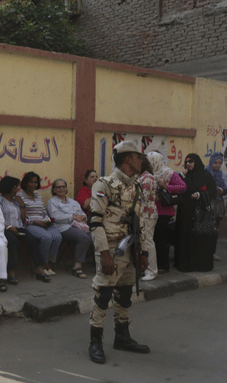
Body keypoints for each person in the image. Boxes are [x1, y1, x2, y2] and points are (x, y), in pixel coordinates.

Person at [88, 140, 149, 365]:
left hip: (131, 249)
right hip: (111, 249)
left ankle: (122, 337)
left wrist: (142, 252)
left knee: (124, 295)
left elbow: (139, 221)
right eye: (137, 156)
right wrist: (103, 253)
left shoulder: (136, 186)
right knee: (103, 295)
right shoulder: (104, 184)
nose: (141, 160)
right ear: (127, 160)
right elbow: (94, 222)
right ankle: (95, 342)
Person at [174, 153, 217, 272]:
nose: (188, 164)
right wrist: (183, 175)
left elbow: (212, 191)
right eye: (186, 162)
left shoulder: (205, 175)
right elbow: (181, 188)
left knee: (199, 237)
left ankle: (200, 265)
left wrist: (199, 195)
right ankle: (185, 265)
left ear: (196, 162)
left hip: (199, 212)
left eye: (191, 161)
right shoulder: (184, 175)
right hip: (185, 212)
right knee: (185, 236)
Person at [146, 151, 186, 277]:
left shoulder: (168, 173)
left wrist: (166, 186)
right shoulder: (147, 174)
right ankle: (154, 264)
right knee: (152, 239)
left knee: (161, 239)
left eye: (151, 162)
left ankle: (163, 266)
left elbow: (183, 187)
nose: (149, 165)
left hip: (164, 210)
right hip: (151, 210)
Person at [0, 176, 41, 285]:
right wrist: (9, 227)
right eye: (15, 187)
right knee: (12, 241)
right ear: (9, 188)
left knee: (33, 239)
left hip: (19, 227)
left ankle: (38, 268)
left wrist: (22, 205)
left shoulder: (17, 200)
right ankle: (11, 272)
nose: (17, 190)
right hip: (4, 228)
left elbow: (23, 220)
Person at [17, 172, 61, 278]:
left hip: (43, 223)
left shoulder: (38, 195)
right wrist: (35, 222)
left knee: (57, 236)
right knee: (46, 238)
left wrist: (47, 220)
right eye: (31, 182)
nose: (33, 184)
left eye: (35, 182)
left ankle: (50, 263)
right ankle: (43, 264)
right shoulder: (19, 196)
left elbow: (43, 212)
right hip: (30, 224)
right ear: (25, 183)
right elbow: (21, 217)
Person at [46, 178, 92, 279]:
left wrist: (82, 217)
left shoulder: (73, 202)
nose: (61, 188)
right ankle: (77, 267)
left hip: (79, 226)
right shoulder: (52, 202)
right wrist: (73, 217)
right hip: (63, 228)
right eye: (58, 187)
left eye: (63, 186)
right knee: (84, 238)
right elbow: (55, 217)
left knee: (94, 236)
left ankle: (99, 265)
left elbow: (83, 214)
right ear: (54, 190)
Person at [137, 156, 158, 281]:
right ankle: (145, 268)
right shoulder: (142, 176)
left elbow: (142, 197)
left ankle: (152, 271)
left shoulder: (147, 178)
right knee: (143, 241)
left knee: (148, 241)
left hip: (148, 214)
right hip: (143, 214)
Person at [205, 152, 227, 261]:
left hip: (218, 204)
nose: (218, 165)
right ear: (211, 162)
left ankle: (212, 252)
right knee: (205, 228)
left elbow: (226, 189)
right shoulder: (205, 172)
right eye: (216, 162)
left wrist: (222, 190)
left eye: (220, 163)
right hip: (207, 203)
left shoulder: (222, 174)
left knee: (214, 229)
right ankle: (204, 251)